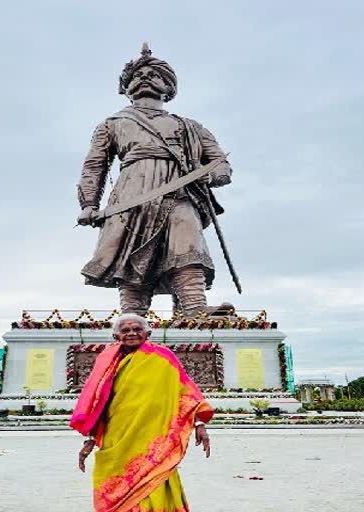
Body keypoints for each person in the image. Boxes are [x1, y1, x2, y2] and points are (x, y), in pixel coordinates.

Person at [76, 43, 233, 319]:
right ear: (127, 87)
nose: (145, 77)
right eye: (138, 75)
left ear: (168, 87)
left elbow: (221, 164)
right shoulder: (111, 124)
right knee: (131, 252)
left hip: (180, 192)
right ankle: (132, 315)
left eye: (154, 74)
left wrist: (213, 174)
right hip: (130, 194)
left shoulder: (190, 126)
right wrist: (89, 203)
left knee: (187, 244)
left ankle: (194, 308)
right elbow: (94, 165)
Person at [71, 313, 213, 512]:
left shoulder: (163, 357)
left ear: (148, 333)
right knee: (115, 482)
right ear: (116, 336)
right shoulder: (108, 361)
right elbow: (99, 401)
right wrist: (91, 439)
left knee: (154, 479)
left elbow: (187, 394)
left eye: (137, 329)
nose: (132, 333)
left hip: (155, 436)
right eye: (125, 330)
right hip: (118, 434)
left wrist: (199, 424)